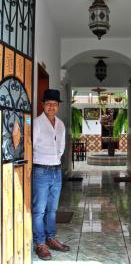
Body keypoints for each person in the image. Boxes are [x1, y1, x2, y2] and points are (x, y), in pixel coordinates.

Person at [32, 89, 70, 261]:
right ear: (43, 105)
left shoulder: (60, 124)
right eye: (48, 104)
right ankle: (40, 243)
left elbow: (61, 146)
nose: (51, 107)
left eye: (54, 104)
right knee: (39, 209)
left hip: (56, 169)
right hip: (41, 170)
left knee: (52, 209)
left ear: (58, 106)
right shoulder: (36, 123)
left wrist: (55, 159)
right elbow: (30, 145)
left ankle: (51, 238)